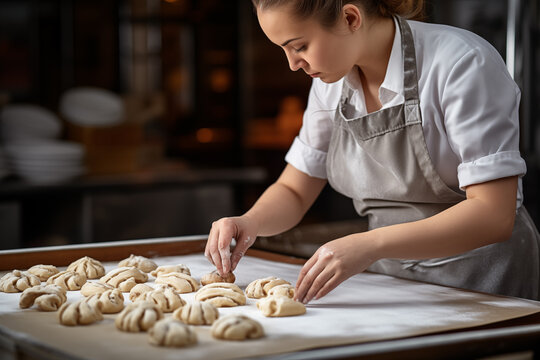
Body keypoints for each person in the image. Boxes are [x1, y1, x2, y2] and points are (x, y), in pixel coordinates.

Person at [205, 0, 540, 302]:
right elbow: (294, 189)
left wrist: (370, 245)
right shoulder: (330, 84)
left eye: (300, 46)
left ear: (351, 18)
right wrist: (249, 221)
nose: (293, 64)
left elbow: (493, 215)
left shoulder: (461, 63)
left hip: (484, 282)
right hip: (394, 283)